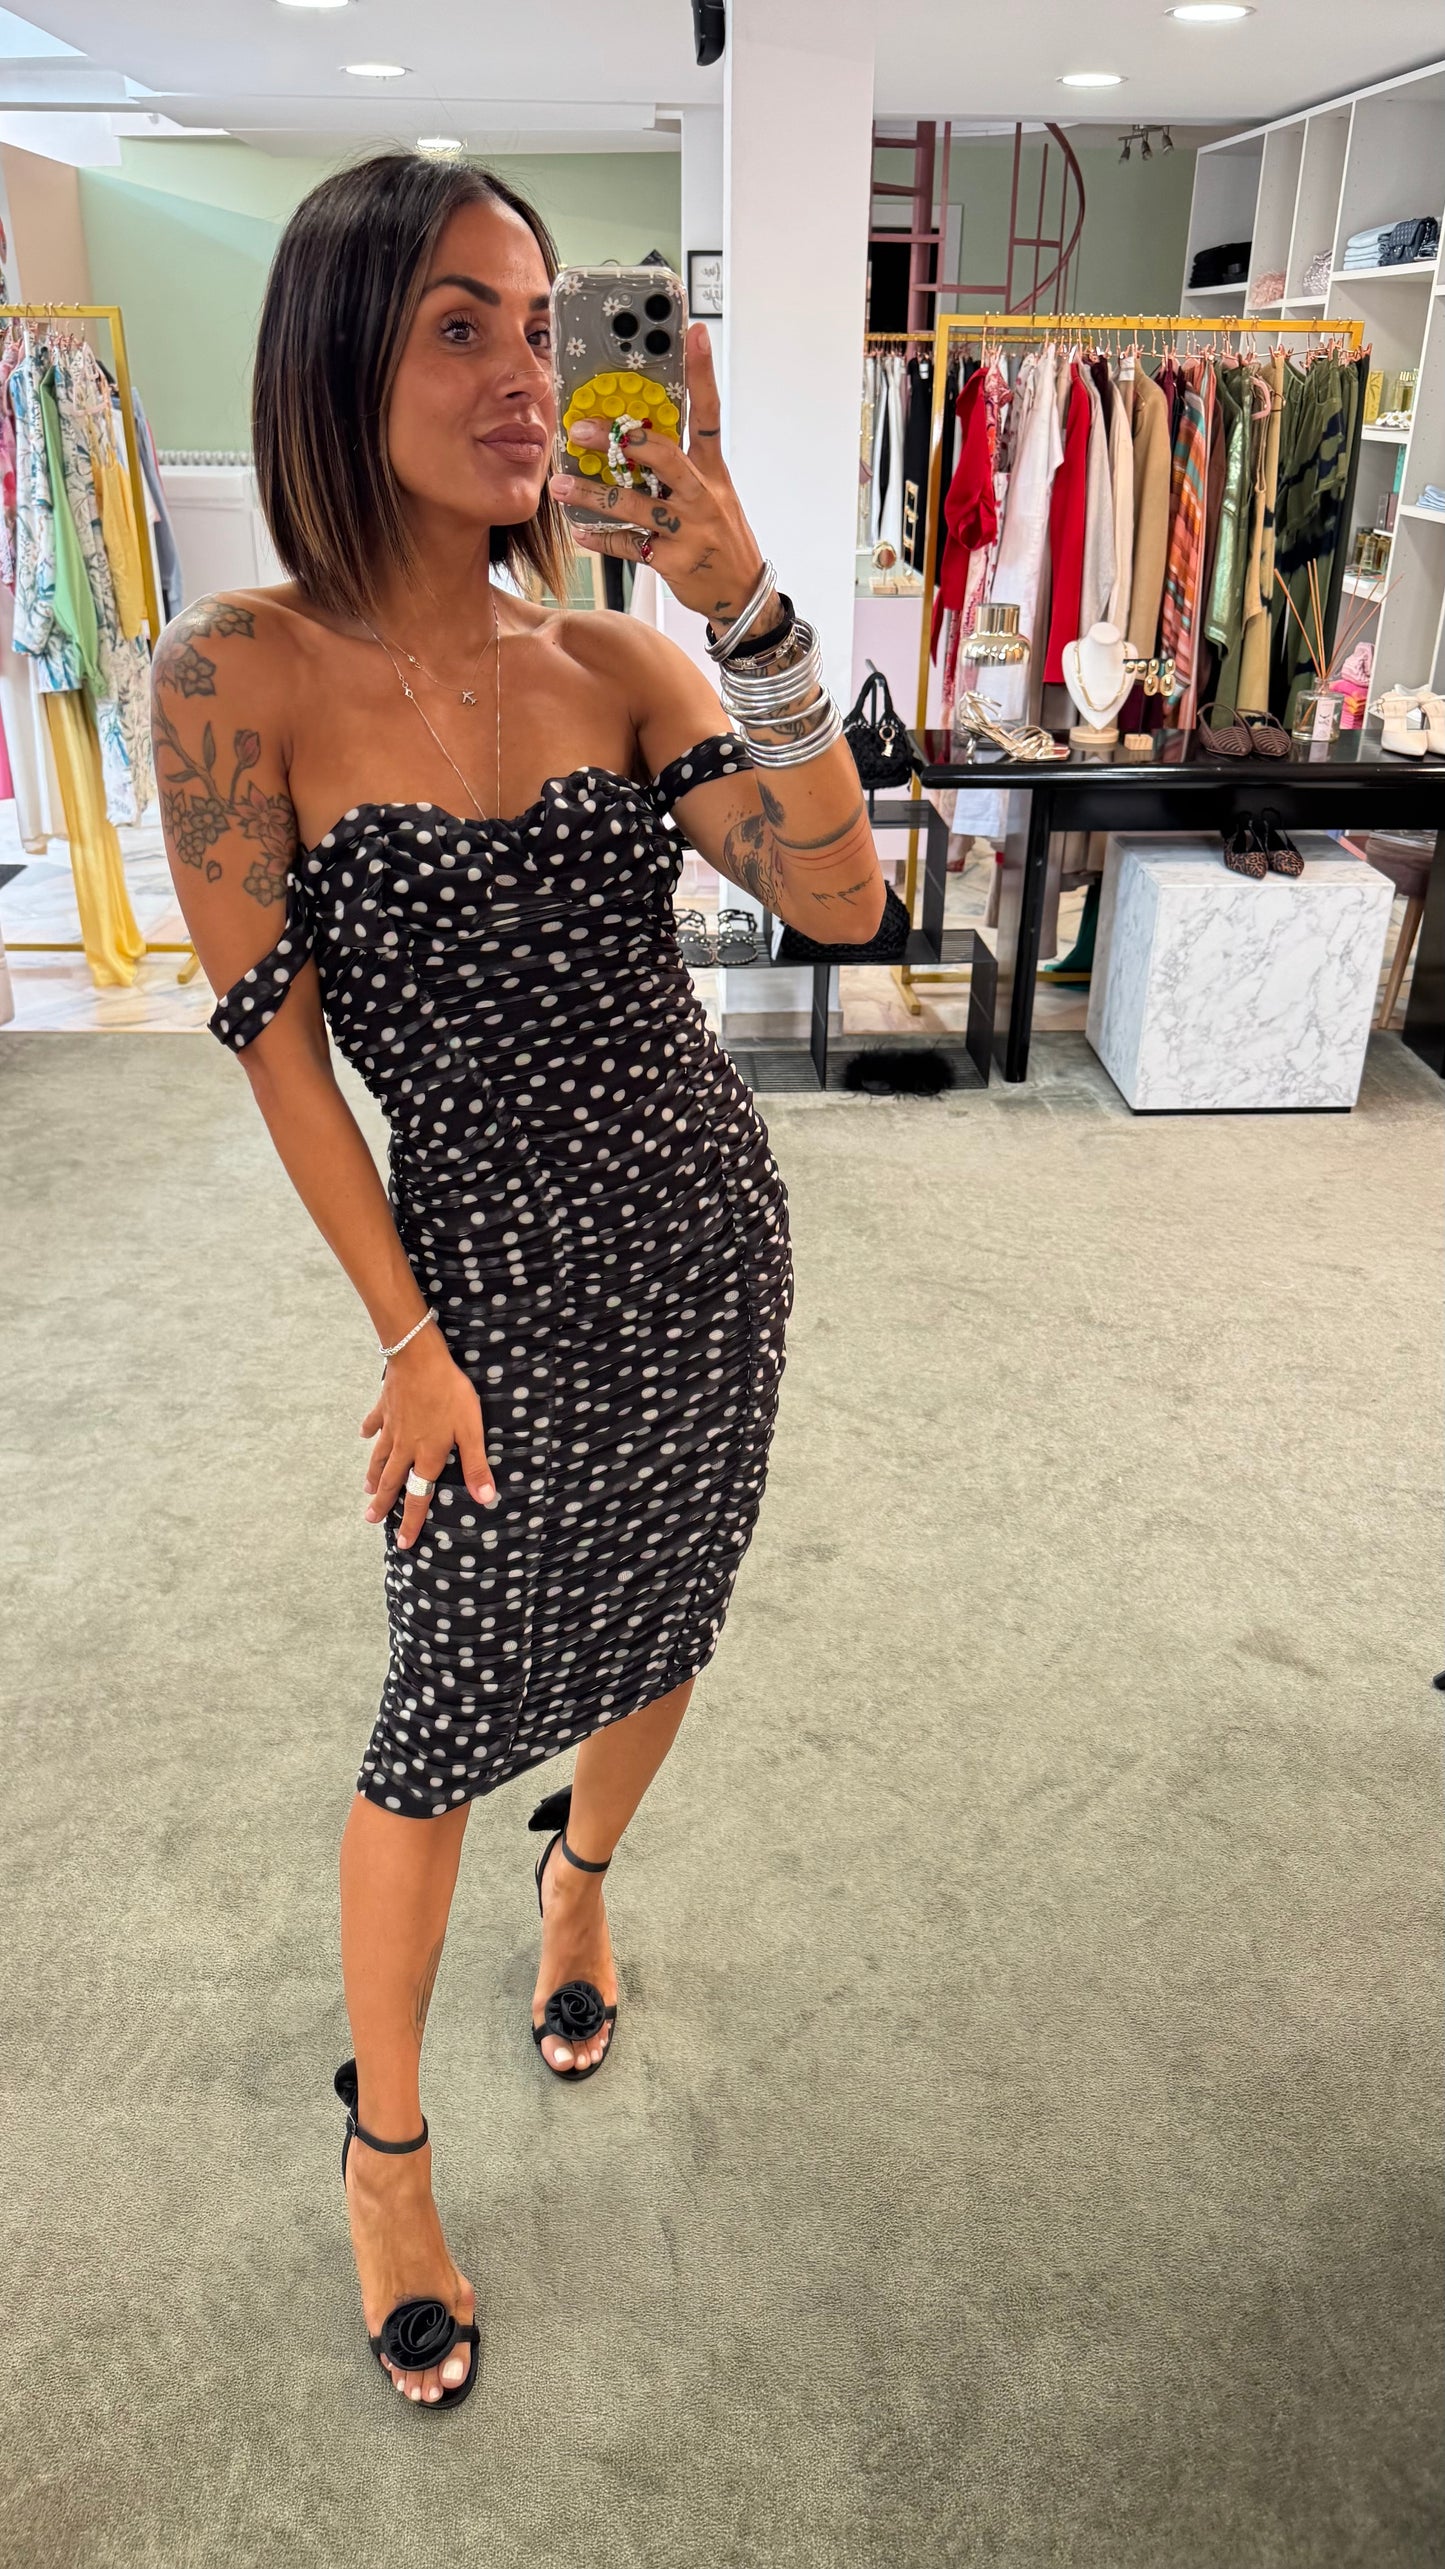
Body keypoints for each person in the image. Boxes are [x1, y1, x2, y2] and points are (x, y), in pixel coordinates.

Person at [151, 149, 885, 2413]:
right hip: (472, 1286)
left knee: (665, 1608)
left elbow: (845, 906)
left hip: (700, 1242)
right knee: (440, 1709)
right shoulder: (232, 675)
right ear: (336, 350)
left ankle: (583, 1883)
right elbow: (277, 1045)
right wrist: (406, 1334)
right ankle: (383, 2150)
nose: (524, 375)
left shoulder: (622, 658)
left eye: (543, 326)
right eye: (459, 324)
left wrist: (743, 593)